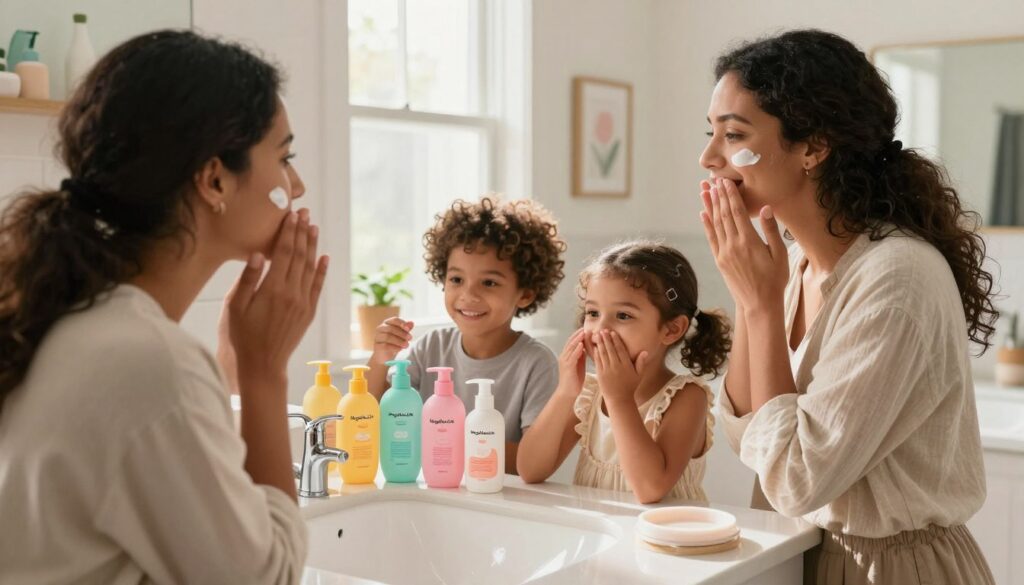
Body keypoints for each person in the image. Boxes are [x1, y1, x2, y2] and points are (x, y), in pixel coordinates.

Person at [0, 30, 326, 584]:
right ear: (214, 178)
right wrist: (264, 373)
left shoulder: (72, 322)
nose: (295, 185)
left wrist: (233, 369)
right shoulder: (148, 363)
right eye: (284, 156)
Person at [699, 29, 996, 584]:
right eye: (710, 133)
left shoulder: (898, 278)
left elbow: (795, 479)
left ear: (813, 147)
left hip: (892, 569)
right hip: (799, 555)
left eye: (733, 134)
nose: (709, 157)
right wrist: (751, 295)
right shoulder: (794, 266)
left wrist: (760, 306)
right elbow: (748, 438)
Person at [517, 241, 731, 504]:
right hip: (604, 535)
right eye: (593, 313)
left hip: (665, 538)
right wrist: (565, 392)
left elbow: (649, 489)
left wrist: (619, 399)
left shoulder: (686, 398)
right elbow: (530, 470)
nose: (600, 329)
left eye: (623, 316)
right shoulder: (589, 393)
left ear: (672, 329)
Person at [365, 196, 567, 474]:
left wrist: (442, 435)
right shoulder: (429, 347)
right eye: (456, 279)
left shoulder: (536, 364)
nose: (468, 295)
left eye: (489, 282)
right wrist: (379, 359)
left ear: (526, 293)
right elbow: (373, 417)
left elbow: (527, 460)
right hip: (433, 489)